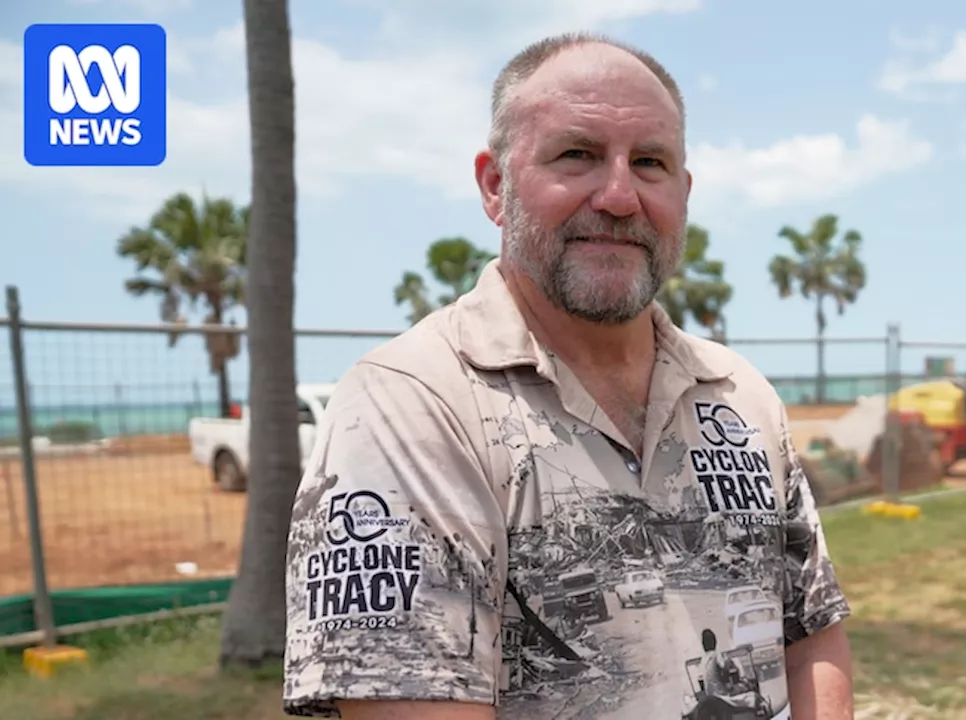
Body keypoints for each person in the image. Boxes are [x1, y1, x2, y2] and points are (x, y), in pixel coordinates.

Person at [282, 31, 855, 720]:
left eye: (650, 163)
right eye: (576, 155)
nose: (619, 196)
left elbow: (809, 636)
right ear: (496, 186)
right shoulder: (411, 406)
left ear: (684, 192)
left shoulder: (739, 395)